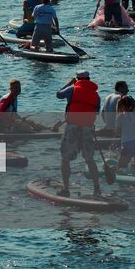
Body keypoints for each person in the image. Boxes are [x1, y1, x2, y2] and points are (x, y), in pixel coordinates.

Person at [55, 70, 102, 198]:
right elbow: (96, 112)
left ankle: (65, 189)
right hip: (87, 128)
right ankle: (97, 189)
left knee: (65, 158)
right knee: (90, 159)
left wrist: (69, 83)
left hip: (72, 127)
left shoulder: (72, 89)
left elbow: (58, 94)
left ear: (77, 79)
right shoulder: (96, 96)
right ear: (89, 79)